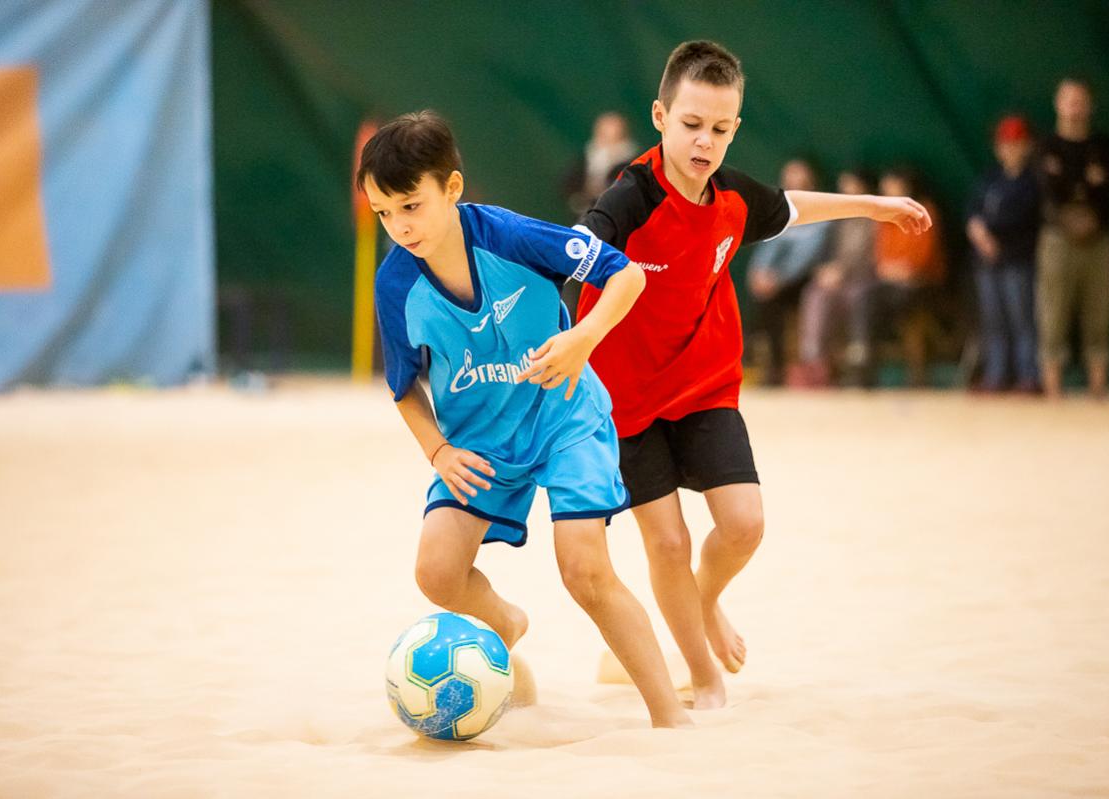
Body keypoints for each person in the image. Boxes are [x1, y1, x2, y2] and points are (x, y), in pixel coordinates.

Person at [575, 41, 931, 709]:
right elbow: (578, 246)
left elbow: (791, 207)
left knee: (743, 525)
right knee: (668, 542)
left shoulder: (733, 197)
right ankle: (704, 675)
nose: (703, 141)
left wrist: (875, 208)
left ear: (735, 127)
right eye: (690, 124)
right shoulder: (630, 197)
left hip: (702, 385)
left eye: (719, 128)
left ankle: (702, 600)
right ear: (660, 116)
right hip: (624, 400)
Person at [363, 111, 689, 728]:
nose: (399, 225)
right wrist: (438, 452)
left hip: (564, 418)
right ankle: (505, 628)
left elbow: (625, 276)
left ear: (452, 188)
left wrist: (582, 339)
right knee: (436, 572)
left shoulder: (512, 237)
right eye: (384, 213)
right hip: (480, 441)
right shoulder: (396, 284)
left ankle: (671, 718)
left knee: (584, 569)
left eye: (410, 205)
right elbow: (404, 389)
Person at [1035, 78, 1109, 399]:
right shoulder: (1045, 147)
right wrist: (1085, 186)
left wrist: (1087, 193)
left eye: (1080, 100)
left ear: (1090, 105)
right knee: (1053, 312)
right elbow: (1047, 188)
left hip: (1100, 240)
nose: (1074, 106)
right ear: (1057, 104)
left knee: (1098, 313)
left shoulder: (1105, 147)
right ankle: (1052, 390)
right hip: (1058, 240)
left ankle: (1098, 389)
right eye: (1068, 99)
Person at [966, 115, 1041, 393]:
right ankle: (996, 376)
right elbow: (972, 209)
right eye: (1004, 143)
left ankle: (1028, 377)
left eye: (1015, 142)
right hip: (987, 261)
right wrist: (978, 232)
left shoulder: (1033, 180)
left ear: (1027, 145)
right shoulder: (991, 177)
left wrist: (992, 234)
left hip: (1018, 260)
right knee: (994, 321)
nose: (1009, 148)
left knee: (1023, 320)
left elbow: (1023, 217)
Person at [746, 159, 834, 385]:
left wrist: (779, 279)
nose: (793, 180)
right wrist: (759, 273)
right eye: (789, 175)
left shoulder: (821, 210)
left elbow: (806, 258)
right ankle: (773, 366)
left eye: (798, 175)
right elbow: (765, 246)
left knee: (800, 296)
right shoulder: (778, 208)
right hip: (776, 282)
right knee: (765, 302)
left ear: (810, 179)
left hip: (805, 279)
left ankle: (809, 367)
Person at [794, 168, 878, 388]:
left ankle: (858, 363)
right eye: (843, 186)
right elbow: (825, 256)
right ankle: (814, 360)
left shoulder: (875, 220)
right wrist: (826, 271)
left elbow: (873, 259)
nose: (845, 190)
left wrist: (843, 272)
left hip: (864, 280)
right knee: (816, 294)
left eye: (850, 185)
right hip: (836, 281)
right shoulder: (837, 222)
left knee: (858, 297)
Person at [864, 167, 945, 387]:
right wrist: (892, 270)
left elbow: (922, 260)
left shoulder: (924, 211)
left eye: (892, 184)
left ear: (906, 186)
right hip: (891, 282)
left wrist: (903, 270)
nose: (886, 190)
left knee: (902, 300)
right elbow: (881, 257)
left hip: (923, 282)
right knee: (866, 298)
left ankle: (917, 373)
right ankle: (866, 365)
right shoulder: (885, 217)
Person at [561, 112, 639, 218]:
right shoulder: (587, 156)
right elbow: (569, 182)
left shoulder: (632, 162)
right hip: (584, 212)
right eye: (603, 131)